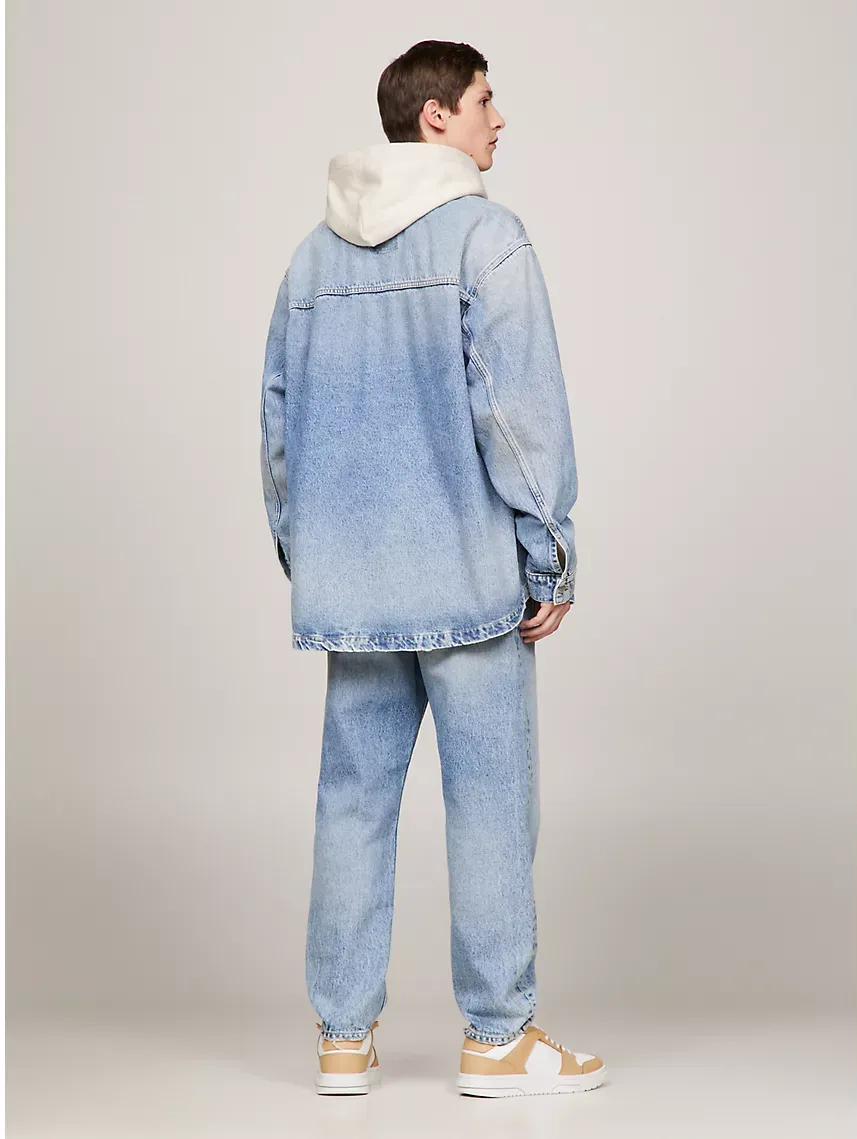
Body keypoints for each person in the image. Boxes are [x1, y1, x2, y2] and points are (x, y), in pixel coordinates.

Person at [259, 39, 607, 1098]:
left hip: (354, 586)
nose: (501, 119)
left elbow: (280, 428)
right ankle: (498, 1036)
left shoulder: (311, 260)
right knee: (491, 802)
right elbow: (517, 411)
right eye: (486, 100)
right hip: (466, 583)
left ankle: (342, 1038)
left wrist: (312, 555)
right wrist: (549, 552)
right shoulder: (486, 239)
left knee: (352, 802)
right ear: (436, 118)